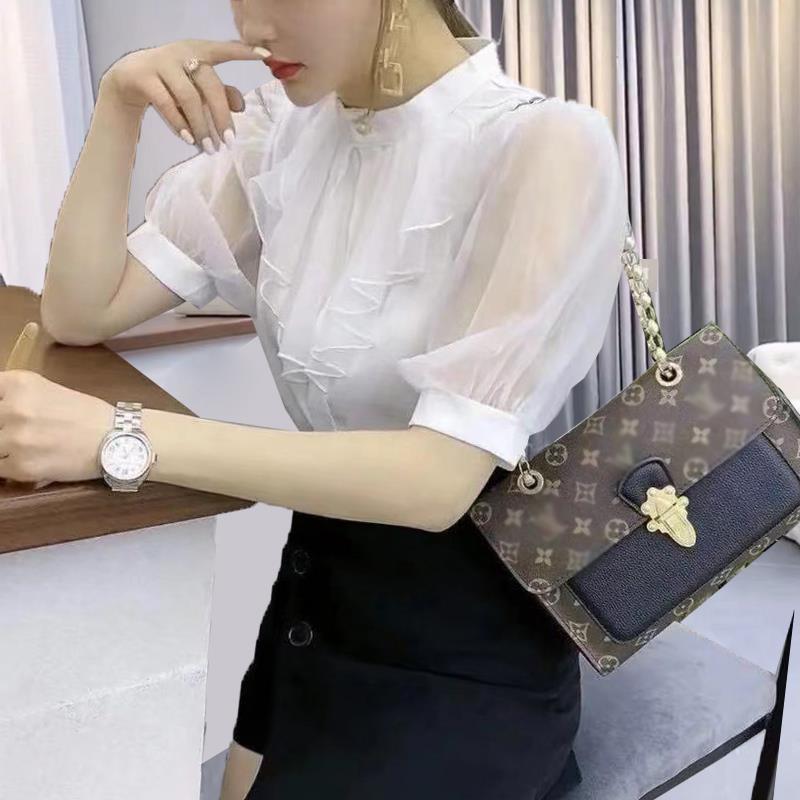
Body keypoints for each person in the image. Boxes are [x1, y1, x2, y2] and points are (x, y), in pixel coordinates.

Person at [45, 1, 628, 798]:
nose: (252, 28)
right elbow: (78, 312)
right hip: (316, 593)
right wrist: (118, 102)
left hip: (463, 650)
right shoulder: (284, 136)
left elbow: (436, 482)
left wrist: (127, 437)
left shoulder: (543, 145)